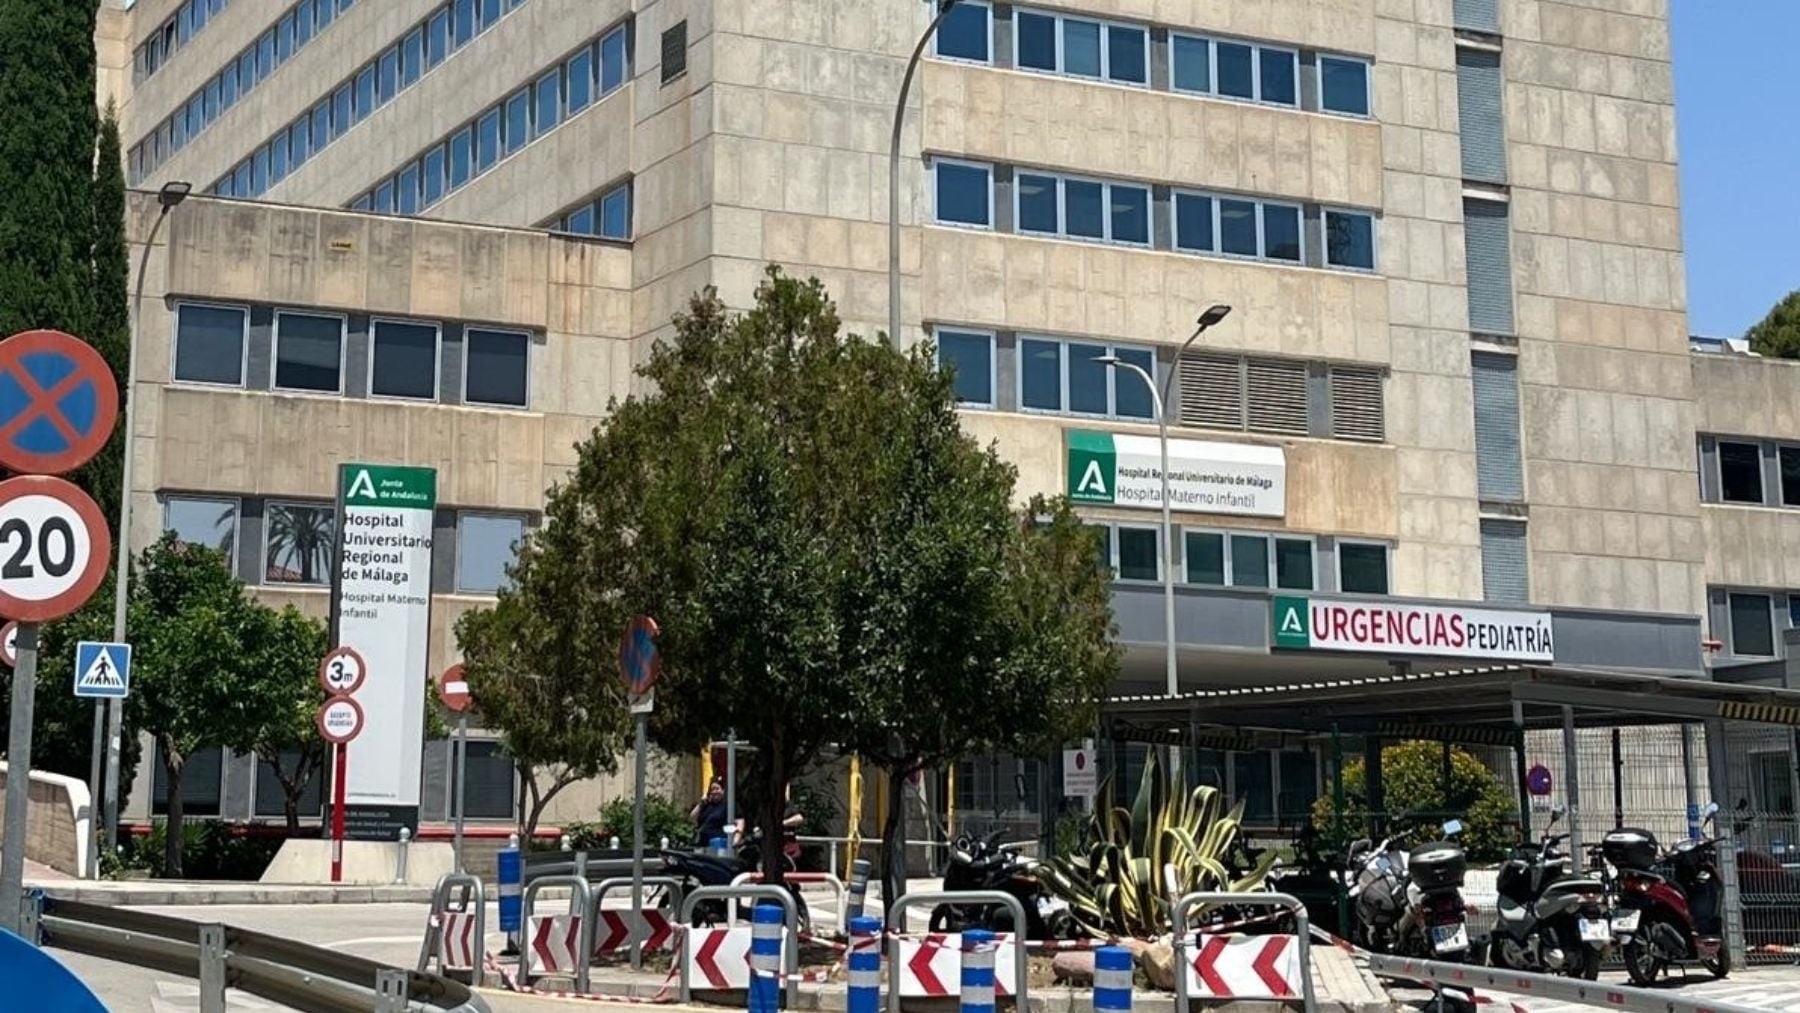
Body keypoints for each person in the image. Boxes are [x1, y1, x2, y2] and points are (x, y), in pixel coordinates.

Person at [690, 777, 736, 848]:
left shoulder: (727, 805)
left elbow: (739, 822)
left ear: (723, 790)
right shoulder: (706, 805)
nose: (714, 792)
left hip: (718, 844)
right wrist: (701, 803)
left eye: (717, 789)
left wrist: (734, 843)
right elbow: (692, 817)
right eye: (712, 789)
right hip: (702, 844)